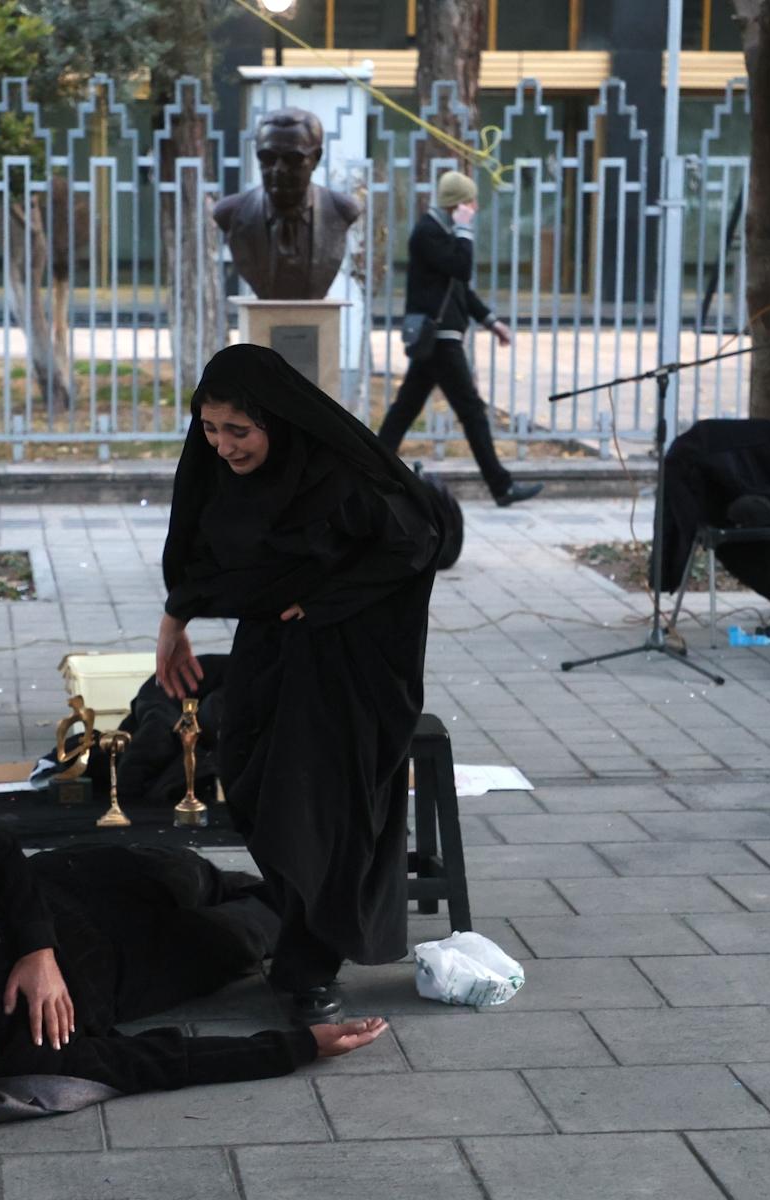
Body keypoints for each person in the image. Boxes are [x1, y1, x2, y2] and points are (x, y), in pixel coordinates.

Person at [158, 343, 441, 1025]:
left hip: (349, 658)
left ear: (276, 421)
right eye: (210, 429)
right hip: (272, 644)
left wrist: (324, 601)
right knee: (248, 777)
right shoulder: (222, 470)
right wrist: (176, 617)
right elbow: (199, 544)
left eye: (239, 430)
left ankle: (310, 965)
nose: (223, 446)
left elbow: (417, 539)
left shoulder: (338, 476)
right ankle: (300, 923)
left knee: (313, 799)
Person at [0, 826, 388, 1141]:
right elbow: (152, 1062)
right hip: (151, 964)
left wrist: (36, 949)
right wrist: (298, 1046)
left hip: (88, 884)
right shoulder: (26, 1054)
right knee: (266, 925)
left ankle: (234, 878)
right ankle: (356, 874)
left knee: (194, 874)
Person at [376, 170, 542, 508]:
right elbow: (463, 268)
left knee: (404, 410)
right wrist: (465, 229)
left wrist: (491, 322)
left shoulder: (442, 232)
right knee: (471, 411)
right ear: (457, 204)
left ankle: (368, 471)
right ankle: (501, 486)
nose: (475, 208)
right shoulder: (428, 232)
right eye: (470, 202)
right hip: (439, 339)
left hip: (441, 337)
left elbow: (460, 289)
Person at [212, 108, 362, 301]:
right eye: (268, 158)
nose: (279, 169)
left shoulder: (341, 211)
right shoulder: (231, 213)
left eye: (292, 159)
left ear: (316, 158)